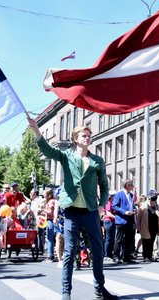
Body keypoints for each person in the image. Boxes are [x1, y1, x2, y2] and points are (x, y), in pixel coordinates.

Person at [27, 116, 117, 300]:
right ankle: (66, 293)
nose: (87, 138)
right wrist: (36, 129)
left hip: (91, 211)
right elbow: (47, 149)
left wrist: (101, 206)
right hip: (72, 213)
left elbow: (105, 186)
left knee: (98, 251)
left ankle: (100, 289)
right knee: (69, 252)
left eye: (89, 136)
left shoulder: (97, 160)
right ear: (76, 138)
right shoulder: (66, 156)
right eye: (84, 136)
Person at [137, 190, 159, 262]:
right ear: (148, 199)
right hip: (145, 226)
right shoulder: (143, 207)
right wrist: (138, 228)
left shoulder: (156, 206)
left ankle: (150, 256)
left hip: (154, 226)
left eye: (154, 201)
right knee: (146, 242)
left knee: (152, 241)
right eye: (151, 201)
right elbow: (138, 217)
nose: (152, 203)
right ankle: (145, 256)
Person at [112, 179, 137, 264]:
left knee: (129, 239)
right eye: (131, 185)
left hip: (130, 219)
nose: (132, 187)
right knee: (119, 239)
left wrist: (134, 209)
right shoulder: (119, 194)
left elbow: (132, 205)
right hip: (121, 220)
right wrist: (125, 212)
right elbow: (114, 206)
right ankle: (116, 256)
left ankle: (126, 257)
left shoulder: (130, 195)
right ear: (127, 185)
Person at [103, 191, 117, 263]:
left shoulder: (112, 203)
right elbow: (108, 213)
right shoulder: (108, 203)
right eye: (113, 195)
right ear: (110, 196)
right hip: (108, 222)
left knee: (112, 239)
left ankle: (110, 254)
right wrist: (116, 218)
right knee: (108, 239)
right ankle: (106, 255)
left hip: (112, 222)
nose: (114, 197)